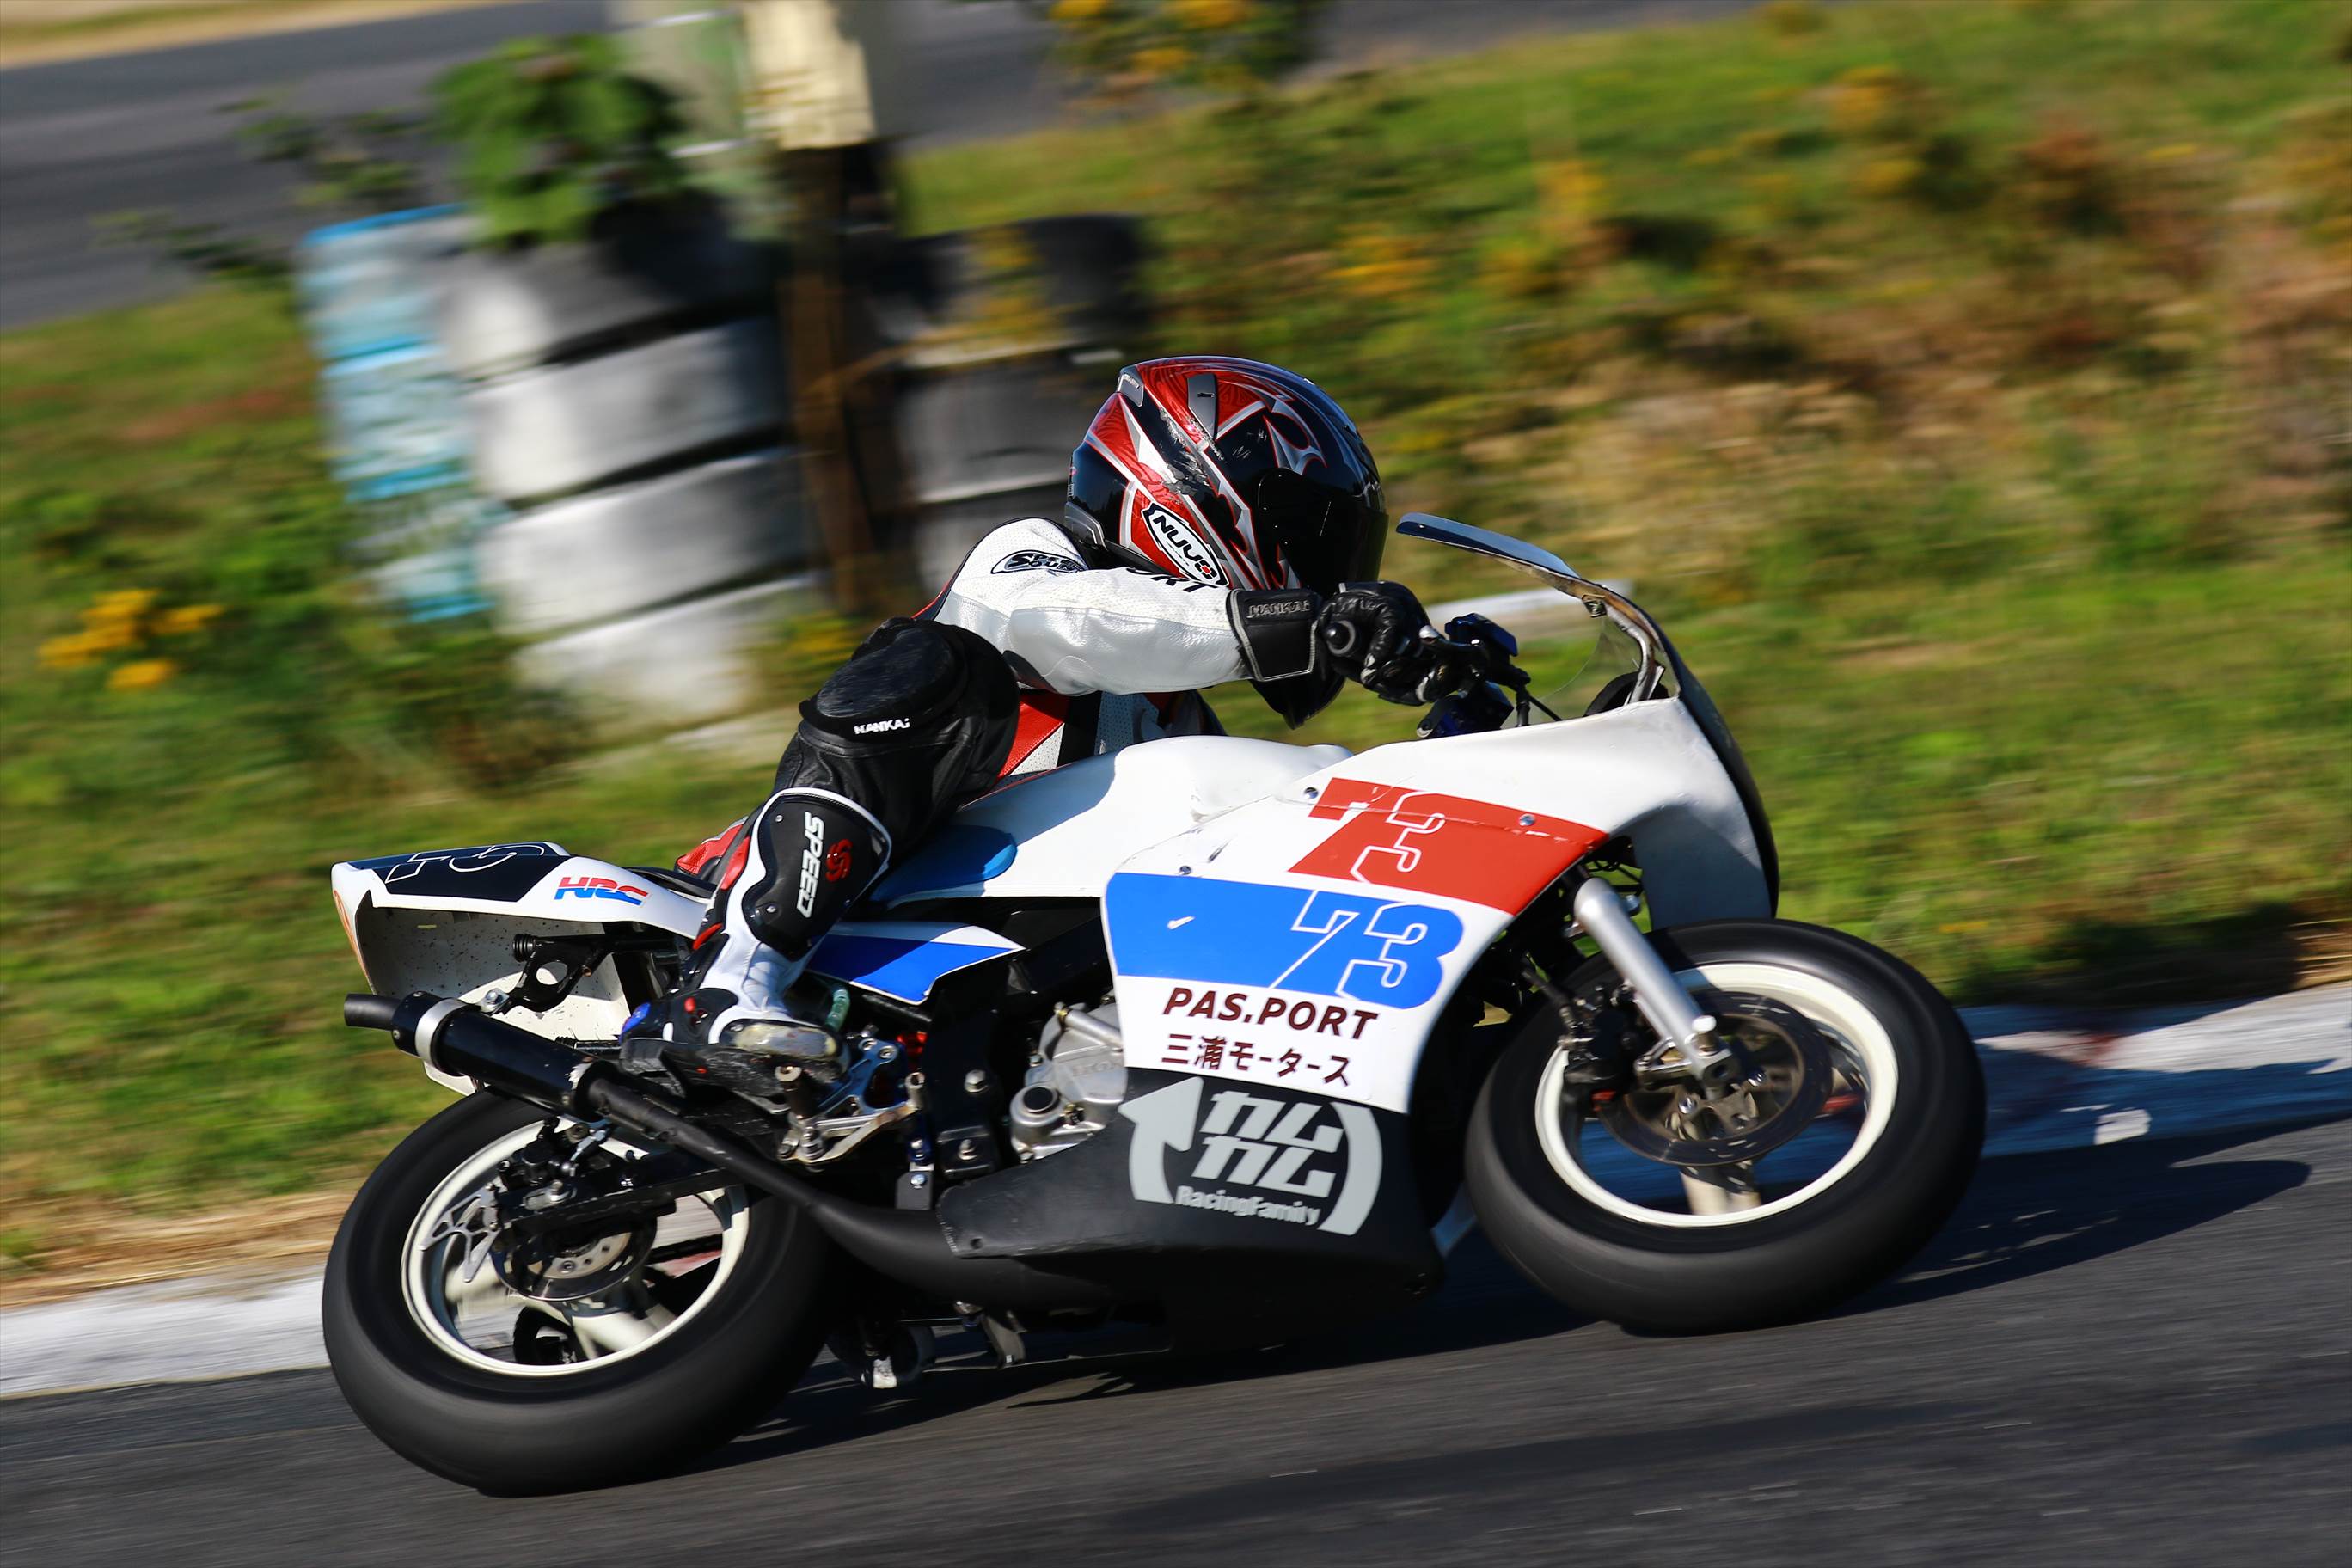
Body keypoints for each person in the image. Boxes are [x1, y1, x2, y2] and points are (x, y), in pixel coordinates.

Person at [640, 356, 1460, 1084]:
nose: (1325, 574)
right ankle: (732, 980)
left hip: (951, 1011)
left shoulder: (1178, 729)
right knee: (939, 667)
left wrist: (1457, 720)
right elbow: (1081, 622)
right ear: (1194, 494)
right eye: (1307, 538)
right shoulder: (1026, 564)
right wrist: (1309, 622)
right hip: (721, 908)